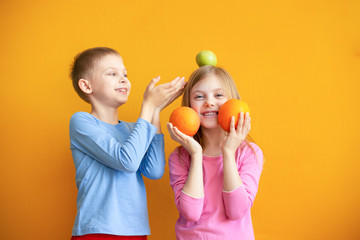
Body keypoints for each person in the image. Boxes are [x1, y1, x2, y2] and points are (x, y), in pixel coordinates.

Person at [69, 47, 185, 240]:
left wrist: (155, 111)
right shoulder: (81, 122)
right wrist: (147, 106)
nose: (123, 79)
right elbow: (127, 161)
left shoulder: (135, 130)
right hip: (97, 231)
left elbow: (154, 171)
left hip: (135, 231)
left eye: (124, 74)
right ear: (86, 86)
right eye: (112, 73)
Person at [167, 65, 263, 240]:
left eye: (218, 95)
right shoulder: (179, 157)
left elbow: (236, 211)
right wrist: (196, 155)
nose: (209, 102)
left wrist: (228, 151)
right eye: (199, 96)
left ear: (233, 101)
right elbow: (191, 213)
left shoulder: (249, 153)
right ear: (188, 106)